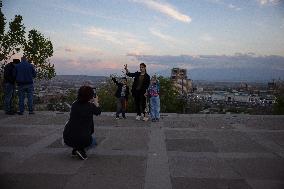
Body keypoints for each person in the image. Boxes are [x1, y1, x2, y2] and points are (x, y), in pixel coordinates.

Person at [63, 86, 101, 160]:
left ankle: (75, 150)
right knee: (94, 143)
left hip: (67, 138)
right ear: (90, 96)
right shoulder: (90, 106)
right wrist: (96, 101)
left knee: (77, 134)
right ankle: (80, 150)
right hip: (84, 139)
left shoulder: (74, 104)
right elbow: (98, 111)